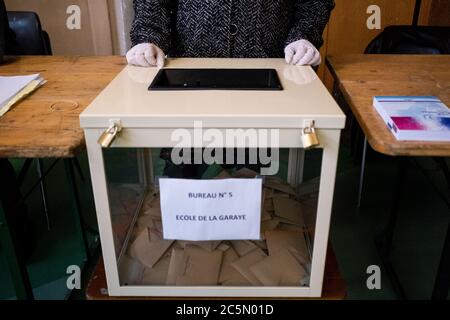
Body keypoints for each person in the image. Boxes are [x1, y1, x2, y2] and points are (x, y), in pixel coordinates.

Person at [127, 0, 335, 68]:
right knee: (184, 161)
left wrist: (303, 35)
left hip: (274, 68)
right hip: (190, 68)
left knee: (269, 160)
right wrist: (148, 38)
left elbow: (314, 3)